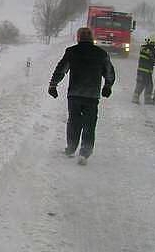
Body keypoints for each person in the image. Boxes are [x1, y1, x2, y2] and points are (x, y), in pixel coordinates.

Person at [49, 27, 115, 165]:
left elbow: (61, 69)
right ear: (92, 38)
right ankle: (84, 153)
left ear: (78, 37)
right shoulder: (101, 53)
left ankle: (71, 148)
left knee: (74, 122)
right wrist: (107, 86)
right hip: (92, 95)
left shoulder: (71, 52)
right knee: (90, 124)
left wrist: (53, 85)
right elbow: (109, 72)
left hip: (75, 94)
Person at [132, 35, 155, 104]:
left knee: (149, 85)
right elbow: (152, 57)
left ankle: (147, 99)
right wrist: (153, 56)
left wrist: (153, 57)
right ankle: (136, 98)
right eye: (154, 43)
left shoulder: (153, 50)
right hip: (142, 70)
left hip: (148, 71)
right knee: (141, 84)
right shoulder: (144, 48)